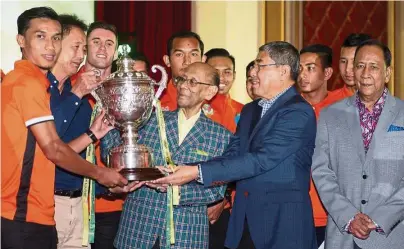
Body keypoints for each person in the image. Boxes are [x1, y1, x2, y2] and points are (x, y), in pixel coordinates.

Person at [154, 41, 317, 249]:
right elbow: (232, 155)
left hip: (282, 225)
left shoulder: (298, 112)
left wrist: (195, 171)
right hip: (245, 223)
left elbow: (261, 160)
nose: (253, 71)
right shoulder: (251, 110)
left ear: (283, 71)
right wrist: (180, 175)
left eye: (260, 65)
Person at [1, 7, 126, 249]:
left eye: (56, 38)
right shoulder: (26, 82)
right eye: (41, 36)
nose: (50, 46)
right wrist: (102, 174)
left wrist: (93, 135)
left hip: (51, 210)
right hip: (22, 212)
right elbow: (54, 149)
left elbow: (57, 150)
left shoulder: (40, 83)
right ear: (21, 40)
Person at [100, 62, 232, 249]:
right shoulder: (149, 119)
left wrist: (174, 190)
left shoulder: (221, 136)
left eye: (193, 82)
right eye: (181, 79)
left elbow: (216, 191)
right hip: (137, 231)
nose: (183, 86)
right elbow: (112, 150)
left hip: (186, 235)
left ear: (210, 92)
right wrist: (108, 116)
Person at [312, 39, 404, 249]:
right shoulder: (329, 115)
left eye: (374, 67)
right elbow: (321, 171)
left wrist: (379, 218)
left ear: (387, 73)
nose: (365, 73)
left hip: (391, 237)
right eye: (360, 66)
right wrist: (349, 216)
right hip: (342, 235)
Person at [48, 14, 112, 249]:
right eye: (76, 47)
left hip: (80, 202)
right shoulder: (41, 89)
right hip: (47, 202)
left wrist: (94, 133)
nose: (81, 56)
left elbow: (65, 151)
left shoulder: (76, 97)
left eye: (82, 49)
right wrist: (77, 93)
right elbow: (50, 146)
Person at [70, 21, 126, 249]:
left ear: (116, 50)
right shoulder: (69, 86)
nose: (102, 48)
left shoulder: (126, 90)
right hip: (71, 201)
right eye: (96, 42)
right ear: (85, 46)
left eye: (109, 43)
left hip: (114, 204)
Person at [298, 44, 347, 247]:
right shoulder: (286, 109)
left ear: (327, 72)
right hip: (295, 214)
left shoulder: (345, 109)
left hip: (334, 217)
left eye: (310, 68)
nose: (302, 74)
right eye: (299, 68)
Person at [203, 48, 243, 249]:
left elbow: (246, 161)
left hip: (230, 207)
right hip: (193, 203)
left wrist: (223, 197)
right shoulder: (192, 109)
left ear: (235, 75)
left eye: (227, 71)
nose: (222, 77)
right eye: (215, 71)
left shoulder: (245, 112)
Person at [159, 31, 205, 111]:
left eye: (193, 54)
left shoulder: (212, 102)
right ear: (167, 60)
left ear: (203, 60)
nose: (187, 62)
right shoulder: (155, 101)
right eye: (179, 54)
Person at [333, 33, 372, 99]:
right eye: (343, 61)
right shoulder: (329, 102)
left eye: (354, 61)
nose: (347, 69)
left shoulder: (385, 103)